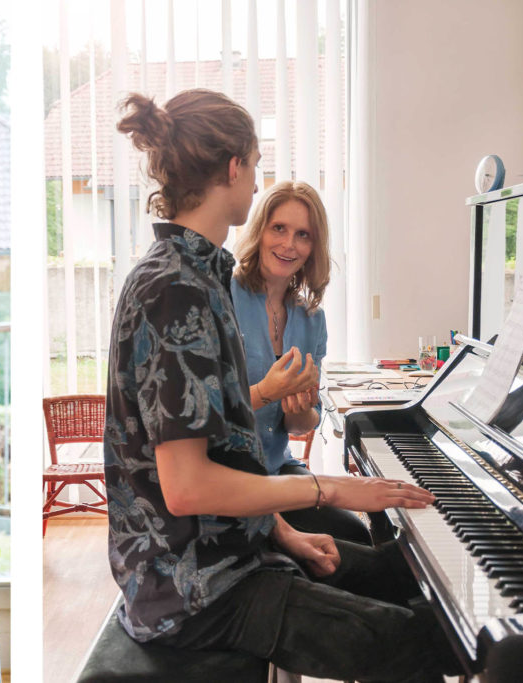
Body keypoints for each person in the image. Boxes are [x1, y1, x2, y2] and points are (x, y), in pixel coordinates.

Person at [105, 89, 458, 682]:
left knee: (405, 575)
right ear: (235, 168)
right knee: (425, 638)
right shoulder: (176, 289)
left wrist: (285, 531)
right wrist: (328, 491)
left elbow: (225, 450)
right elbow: (188, 489)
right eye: (256, 164)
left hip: (232, 556)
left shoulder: (198, 275)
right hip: (194, 592)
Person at [231, 180, 372, 544]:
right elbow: (201, 413)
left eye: (303, 235)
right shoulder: (221, 298)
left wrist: (300, 410)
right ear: (260, 230)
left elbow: (302, 424)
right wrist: (266, 392)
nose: (289, 244)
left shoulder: (312, 319)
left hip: (278, 471)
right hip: (228, 481)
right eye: (279, 228)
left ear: (313, 248)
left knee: (355, 535)